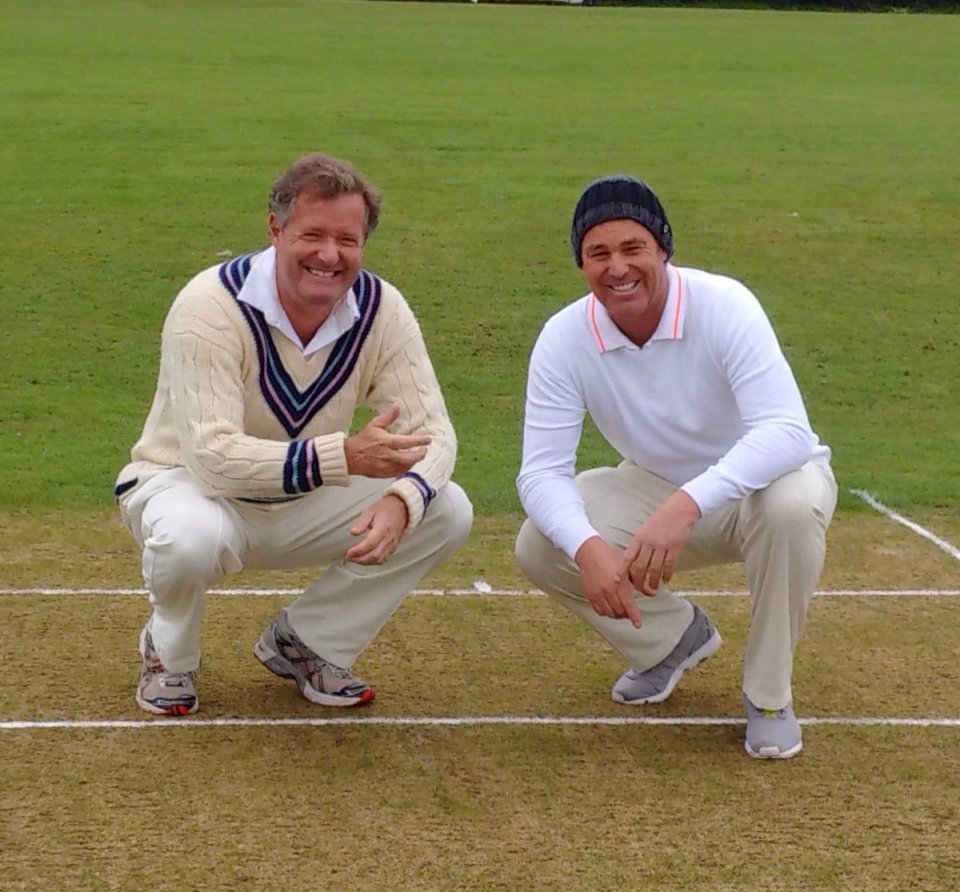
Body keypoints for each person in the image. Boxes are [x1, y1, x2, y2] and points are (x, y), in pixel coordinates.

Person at [116, 152, 473, 716]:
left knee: (445, 509)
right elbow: (211, 457)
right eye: (312, 235)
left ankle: (308, 642)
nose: (330, 256)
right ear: (276, 229)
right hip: (188, 488)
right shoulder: (209, 305)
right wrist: (344, 455)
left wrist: (404, 499)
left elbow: (435, 436)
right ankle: (169, 655)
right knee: (189, 539)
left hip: (301, 500)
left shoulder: (382, 308)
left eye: (348, 240)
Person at [515, 175, 836, 759]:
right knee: (543, 543)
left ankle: (768, 697)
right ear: (581, 264)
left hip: (762, 485)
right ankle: (672, 641)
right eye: (598, 254)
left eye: (633, 248)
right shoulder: (563, 337)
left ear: (663, 247)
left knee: (792, 505)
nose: (618, 268)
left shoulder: (724, 304)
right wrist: (588, 550)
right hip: (655, 485)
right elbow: (540, 473)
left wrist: (686, 504)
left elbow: (787, 432)